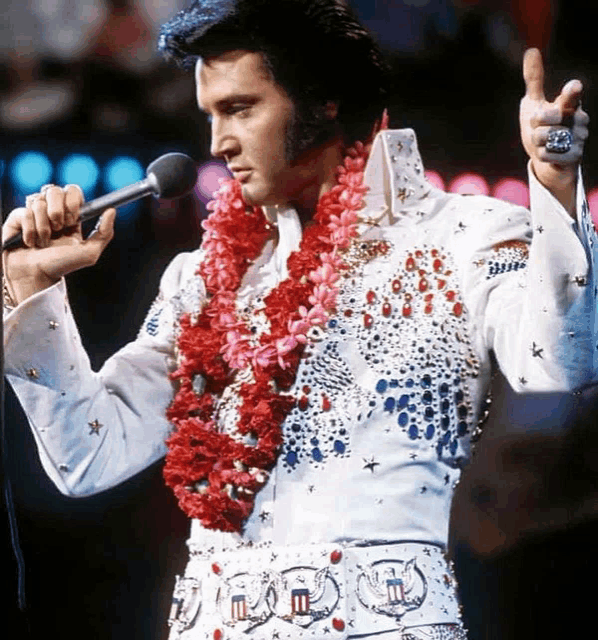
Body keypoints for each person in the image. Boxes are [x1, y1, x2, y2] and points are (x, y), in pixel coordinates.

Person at [2, 1, 595, 639]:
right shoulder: (202, 276)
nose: (216, 142)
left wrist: (554, 183)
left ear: (325, 102)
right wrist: (33, 290)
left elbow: (561, 360)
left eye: (240, 109)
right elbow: (90, 455)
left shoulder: (466, 238)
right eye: (210, 114)